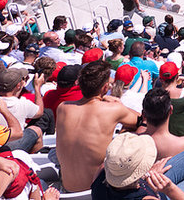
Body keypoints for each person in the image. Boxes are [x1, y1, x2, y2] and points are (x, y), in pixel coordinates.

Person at [55, 60, 140, 192]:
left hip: (66, 190)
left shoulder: (62, 108)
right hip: (97, 191)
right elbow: (142, 120)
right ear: (105, 88)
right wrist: (119, 104)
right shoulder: (113, 109)